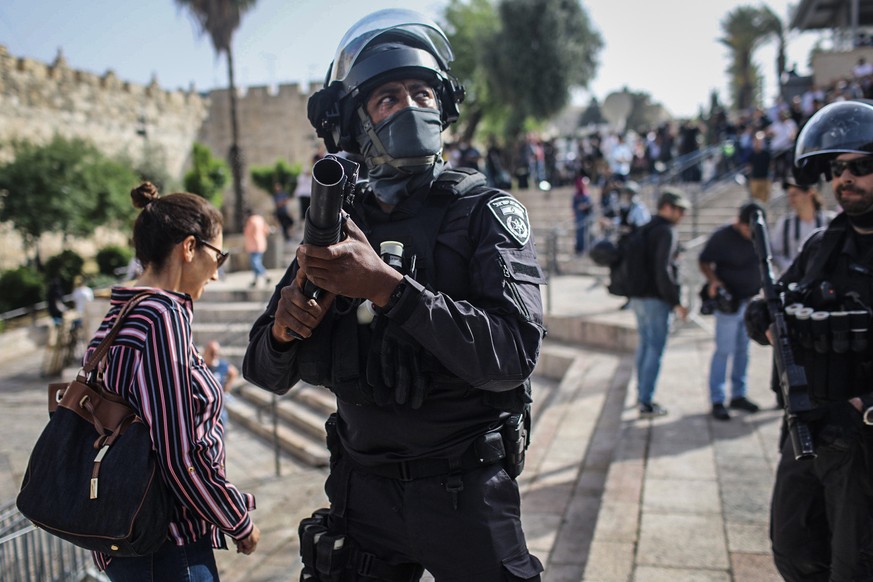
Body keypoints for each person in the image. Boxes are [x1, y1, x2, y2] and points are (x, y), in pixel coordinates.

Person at [243, 9, 545, 581]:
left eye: (422, 93)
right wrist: (286, 328)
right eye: (388, 98)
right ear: (357, 123)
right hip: (362, 496)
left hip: (467, 496)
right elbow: (263, 370)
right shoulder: (341, 222)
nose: (410, 107)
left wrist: (385, 287)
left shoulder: (483, 213)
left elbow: (511, 355)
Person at [86, 181, 259, 581]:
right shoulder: (161, 317)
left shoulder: (119, 313)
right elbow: (180, 455)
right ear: (189, 248)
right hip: (167, 543)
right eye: (219, 255)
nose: (217, 273)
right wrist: (236, 520)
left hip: (125, 534)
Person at [745, 100, 873, 580]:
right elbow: (767, 308)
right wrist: (765, 320)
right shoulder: (823, 245)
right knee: (794, 548)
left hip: (863, 438)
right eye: (838, 169)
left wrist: (861, 405)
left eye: (861, 167)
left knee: (854, 565)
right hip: (809, 428)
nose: (846, 179)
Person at [698, 201, 764, 421]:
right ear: (739, 222)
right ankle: (718, 398)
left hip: (751, 302)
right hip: (729, 303)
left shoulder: (760, 235)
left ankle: (738, 394)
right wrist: (715, 281)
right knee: (723, 350)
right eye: (747, 228)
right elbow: (704, 261)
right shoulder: (722, 236)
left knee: (743, 350)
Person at [629, 189, 690, 418]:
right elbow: (662, 269)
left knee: (645, 346)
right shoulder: (666, 231)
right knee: (654, 349)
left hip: (638, 297)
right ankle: (645, 401)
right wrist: (676, 302)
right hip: (655, 299)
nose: (682, 214)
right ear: (666, 207)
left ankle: (641, 394)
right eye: (679, 209)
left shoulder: (647, 227)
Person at [770, 179, 834, 273]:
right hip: (794, 279)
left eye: (795, 194)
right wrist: (790, 266)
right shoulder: (785, 223)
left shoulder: (829, 220)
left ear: (810, 193)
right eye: (789, 195)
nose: (791, 199)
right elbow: (775, 252)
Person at [203, 340, 240, 429]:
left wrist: (226, 388)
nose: (214, 355)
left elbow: (234, 372)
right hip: (204, 407)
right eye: (212, 353)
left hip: (219, 407)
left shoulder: (221, 365)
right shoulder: (200, 366)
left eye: (216, 353)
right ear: (206, 352)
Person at [243, 207, 272, 288]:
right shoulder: (260, 219)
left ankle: (266, 276)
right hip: (261, 243)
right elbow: (267, 230)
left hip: (253, 244)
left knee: (255, 263)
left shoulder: (251, 220)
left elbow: (247, 232)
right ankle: (255, 281)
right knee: (256, 262)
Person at [572, 170, 593, 254]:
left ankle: (585, 249)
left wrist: (586, 206)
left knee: (586, 234)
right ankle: (579, 249)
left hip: (586, 216)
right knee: (579, 234)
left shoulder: (587, 194)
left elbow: (590, 205)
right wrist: (579, 207)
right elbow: (574, 206)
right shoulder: (576, 195)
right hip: (579, 217)